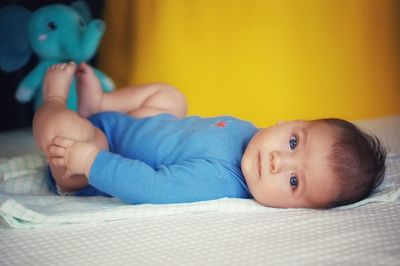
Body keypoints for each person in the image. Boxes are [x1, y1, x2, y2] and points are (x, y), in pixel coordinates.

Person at [33, 62, 387, 208]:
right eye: (293, 142)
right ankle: (100, 103)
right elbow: (183, 131)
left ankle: (54, 99)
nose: (279, 161)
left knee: (59, 134)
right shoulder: (249, 131)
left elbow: (152, 187)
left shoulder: (218, 181)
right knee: (173, 98)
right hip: (130, 124)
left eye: (294, 182)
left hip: (100, 148)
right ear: (285, 122)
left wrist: (91, 161)